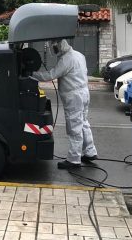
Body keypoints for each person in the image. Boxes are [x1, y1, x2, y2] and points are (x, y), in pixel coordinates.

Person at [33, 39, 98, 169]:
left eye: (55, 47)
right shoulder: (79, 55)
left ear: (60, 46)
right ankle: (90, 152)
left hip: (74, 97)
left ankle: (74, 160)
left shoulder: (66, 59)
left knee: (74, 127)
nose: (54, 50)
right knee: (84, 123)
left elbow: (51, 75)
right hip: (84, 93)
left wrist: (32, 74)